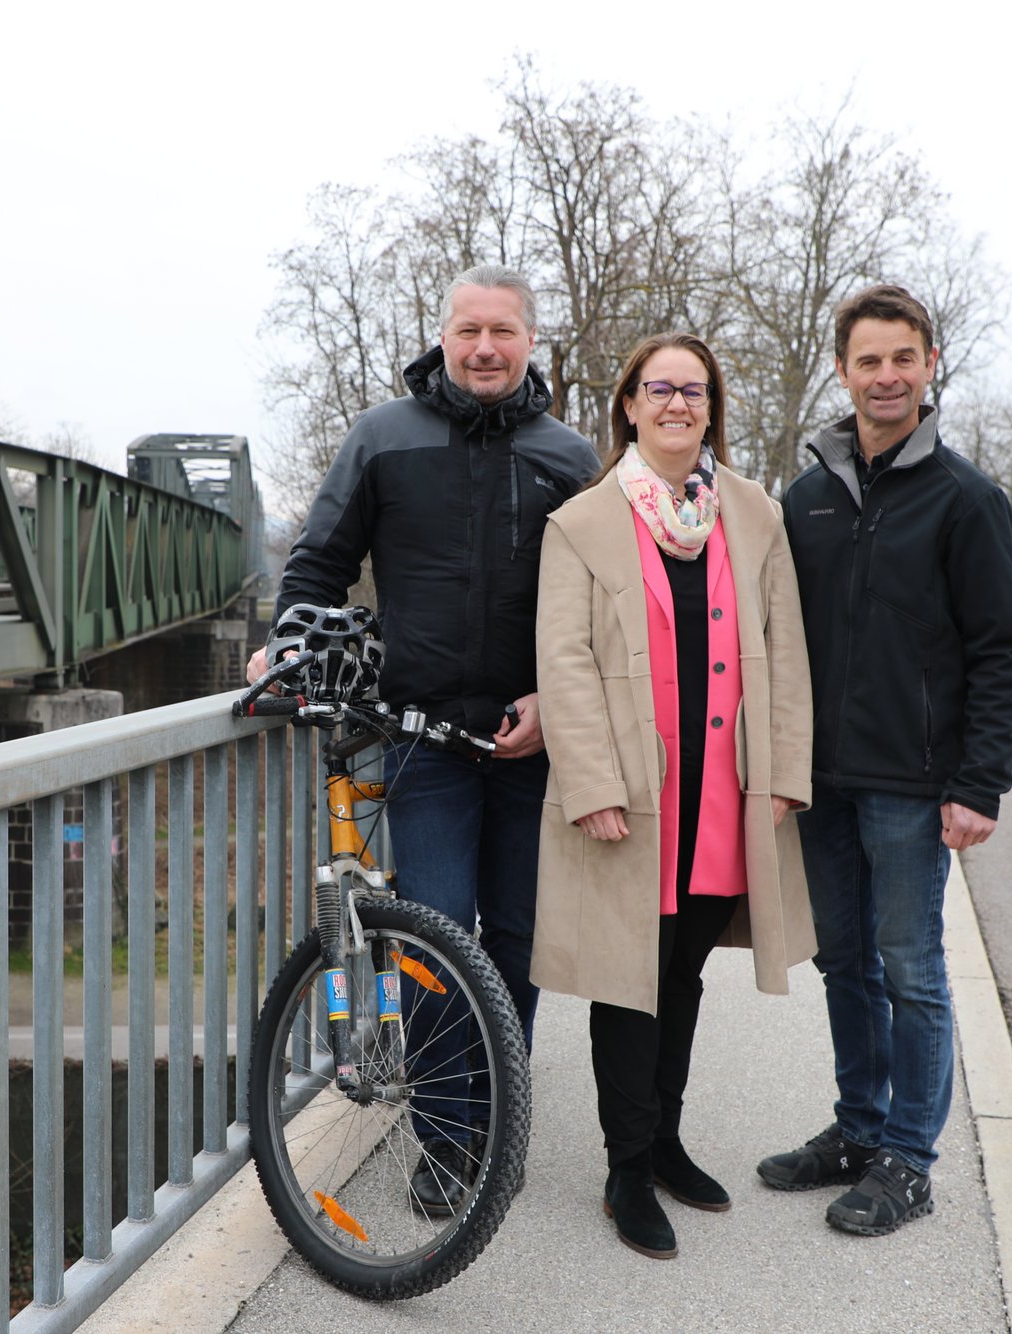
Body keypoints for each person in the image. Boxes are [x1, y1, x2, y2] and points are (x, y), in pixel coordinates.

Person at [249, 264, 598, 1214]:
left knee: (518, 942)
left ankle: (500, 1110)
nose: (484, 347)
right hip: (423, 739)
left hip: (535, 741)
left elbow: (603, 604)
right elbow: (319, 561)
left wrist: (554, 700)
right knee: (437, 940)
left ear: (532, 342)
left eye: (503, 332)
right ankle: (449, 1139)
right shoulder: (383, 437)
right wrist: (287, 642)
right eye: (467, 330)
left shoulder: (569, 454)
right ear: (441, 336)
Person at [531, 332, 816, 1260]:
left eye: (693, 391)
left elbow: (788, 652)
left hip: (722, 789)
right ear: (628, 404)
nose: (676, 405)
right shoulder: (582, 521)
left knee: (683, 973)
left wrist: (783, 774)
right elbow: (564, 664)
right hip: (633, 791)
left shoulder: (752, 515)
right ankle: (623, 1167)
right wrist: (591, 785)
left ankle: (663, 1143)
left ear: (711, 406)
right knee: (628, 978)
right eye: (659, 389)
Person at [757, 284, 1012, 1237]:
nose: (885, 376)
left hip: (914, 787)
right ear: (843, 370)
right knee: (845, 963)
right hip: (822, 780)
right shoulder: (805, 499)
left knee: (911, 967)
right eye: (868, 360)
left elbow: (1001, 649)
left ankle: (909, 1159)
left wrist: (978, 781)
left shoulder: (966, 498)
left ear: (929, 366)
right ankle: (860, 1128)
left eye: (902, 359)